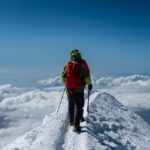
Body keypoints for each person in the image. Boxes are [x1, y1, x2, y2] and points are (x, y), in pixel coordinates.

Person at [61, 50, 92, 132]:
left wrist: (67, 84)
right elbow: (86, 77)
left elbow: (63, 77)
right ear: (79, 56)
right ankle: (76, 125)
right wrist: (89, 84)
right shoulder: (82, 66)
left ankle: (71, 121)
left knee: (71, 105)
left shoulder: (67, 66)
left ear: (71, 56)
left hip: (69, 90)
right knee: (78, 106)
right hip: (79, 89)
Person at [70, 49, 91, 121]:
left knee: (72, 101)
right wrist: (88, 83)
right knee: (80, 100)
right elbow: (87, 73)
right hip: (81, 84)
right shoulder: (83, 62)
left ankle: (72, 118)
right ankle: (80, 116)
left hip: (71, 85)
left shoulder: (69, 63)